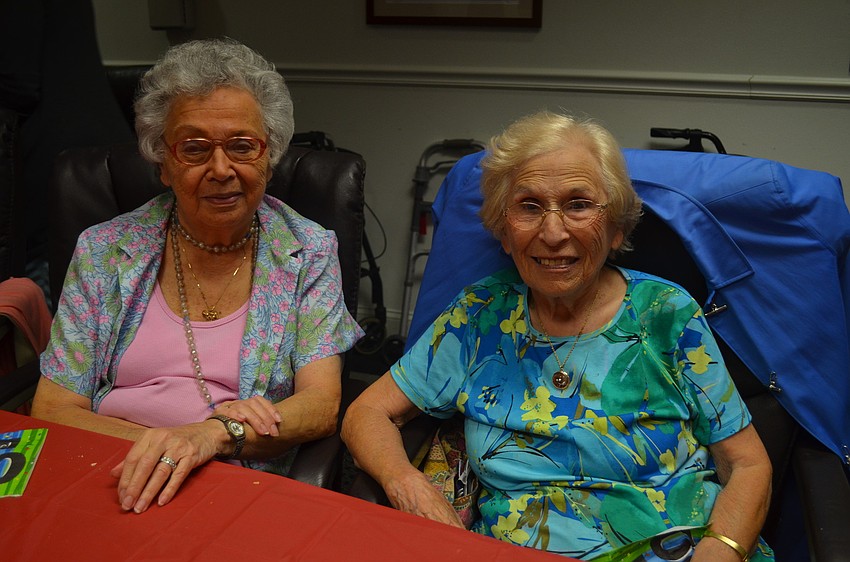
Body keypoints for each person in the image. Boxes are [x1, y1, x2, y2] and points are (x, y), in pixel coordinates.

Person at [342, 111, 773, 561]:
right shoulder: (478, 315)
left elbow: (747, 463)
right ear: (504, 231)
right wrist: (410, 486)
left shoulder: (667, 312)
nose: (553, 233)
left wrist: (722, 549)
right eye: (529, 206)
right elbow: (366, 412)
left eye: (579, 205)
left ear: (616, 228)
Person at [31, 38, 363, 514]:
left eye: (242, 146)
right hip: (105, 468)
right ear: (162, 162)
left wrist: (210, 437)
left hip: (231, 477)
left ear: (269, 157)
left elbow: (318, 406)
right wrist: (163, 445)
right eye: (195, 149)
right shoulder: (105, 250)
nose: (221, 169)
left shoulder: (307, 251)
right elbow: (53, 407)